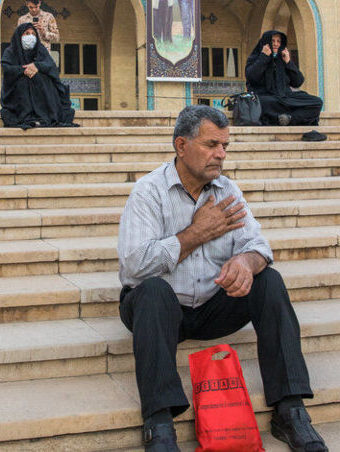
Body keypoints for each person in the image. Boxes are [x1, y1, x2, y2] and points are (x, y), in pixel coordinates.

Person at [118, 105, 327, 452]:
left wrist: (246, 261)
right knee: (152, 291)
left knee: (269, 280)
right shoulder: (148, 192)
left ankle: (290, 410)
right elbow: (134, 266)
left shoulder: (227, 190)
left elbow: (259, 244)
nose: (221, 154)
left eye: (225, 145)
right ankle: (159, 422)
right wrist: (196, 233)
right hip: (161, 313)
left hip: (212, 306)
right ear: (181, 145)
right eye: (211, 144)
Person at [245, 30, 325, 140]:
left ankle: (289, 119)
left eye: (278, 41)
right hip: (268, 97)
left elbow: (298, 82)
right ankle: (287, 117)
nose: (276, 44)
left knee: (316, 102)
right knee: (264, 103)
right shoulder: (255, 57)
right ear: (265, 42)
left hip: (286, 97)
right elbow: (252, 77)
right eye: (273, 41)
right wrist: (263, 57)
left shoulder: (282, 60)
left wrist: (288, 62)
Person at [0, 23, 76, 129]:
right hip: (17, 93)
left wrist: (37, 66)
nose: (30, 37)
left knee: (42, 78)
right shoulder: (11, 51)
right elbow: (7, 68)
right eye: (26, 33)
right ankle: (27, 116)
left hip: (41, 90)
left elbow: (51, 66)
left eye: (33, 34)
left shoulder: (40, 50)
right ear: (19, 36)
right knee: (23, 81)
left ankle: (43, 116)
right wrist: (23, 70)